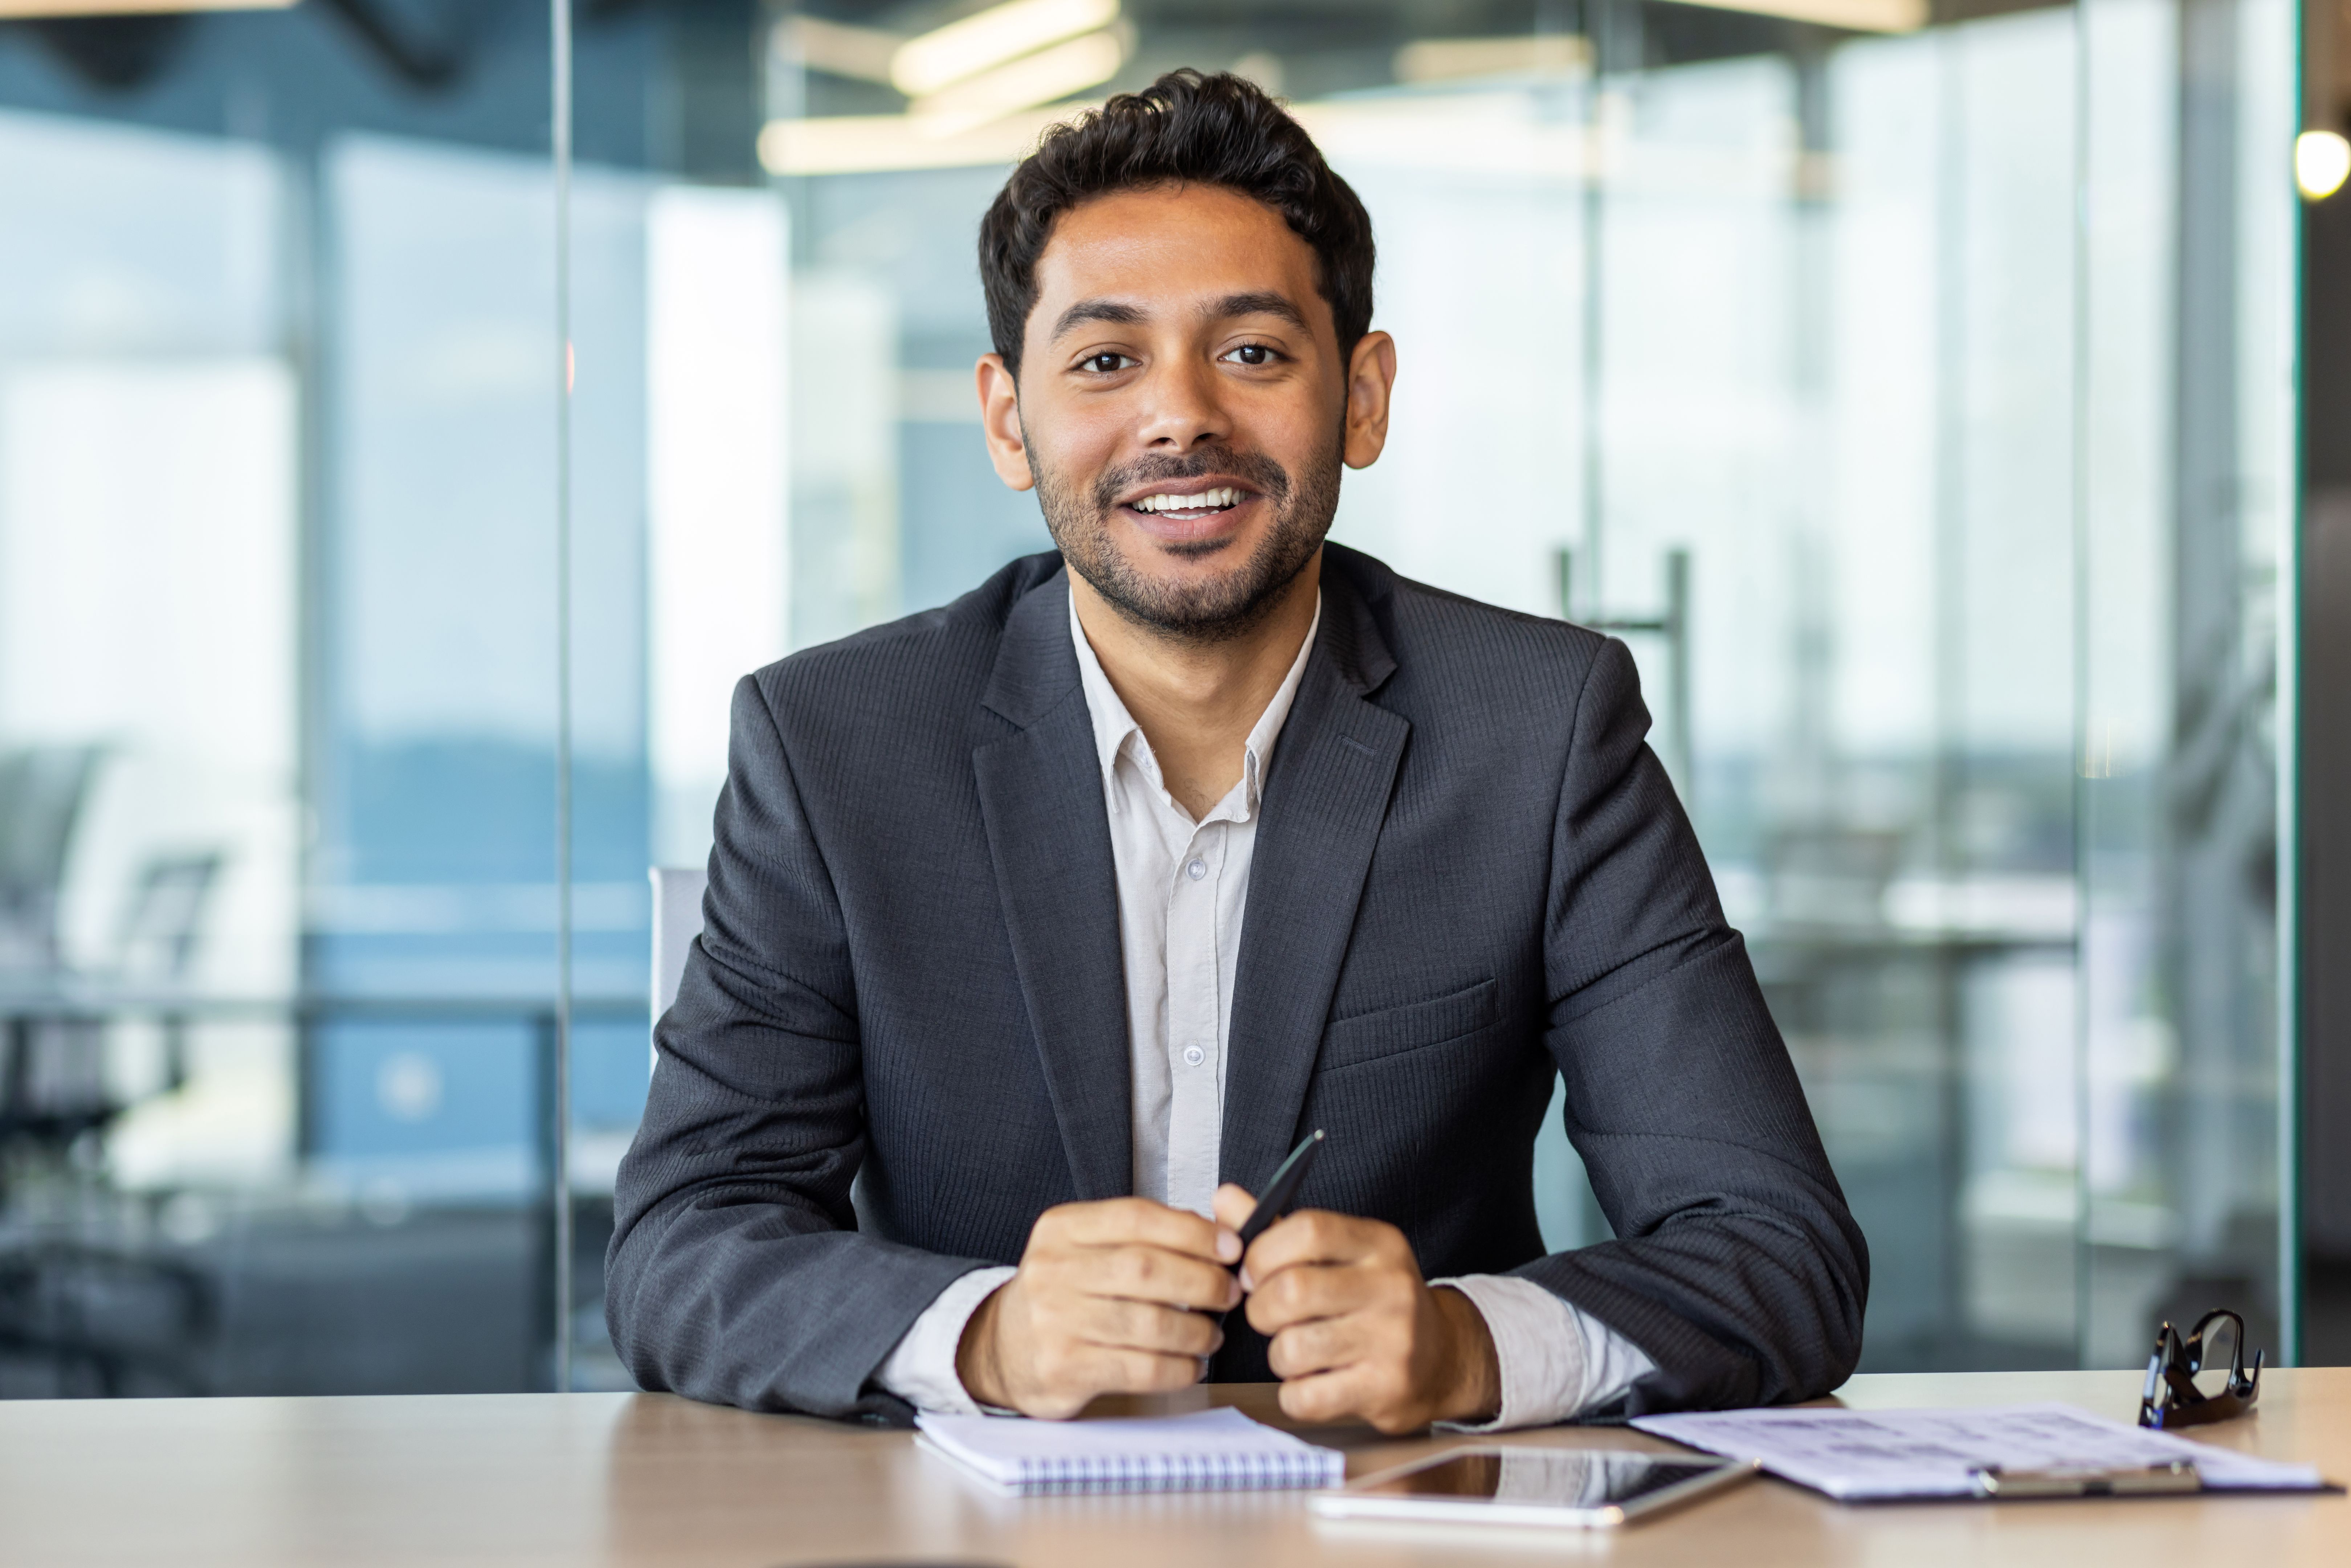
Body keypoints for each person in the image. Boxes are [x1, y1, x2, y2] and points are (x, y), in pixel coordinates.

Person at [607, 69, 1866, 1433]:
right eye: (1105, 360)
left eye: (1253, 352)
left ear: (1363, 397)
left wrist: (1465, 1346)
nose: (1180, 416)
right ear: (1007, 418)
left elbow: (1776, 1249)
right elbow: (685, 1241)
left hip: (1397, 1518)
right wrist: (985, 1339)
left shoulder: (1542, 731)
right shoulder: (836, 748)